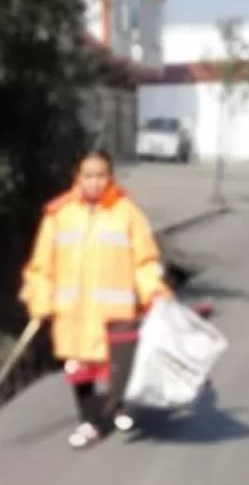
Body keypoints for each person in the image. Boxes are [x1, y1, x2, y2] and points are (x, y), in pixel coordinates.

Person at [20, 148, 171, 448]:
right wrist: (40, 299)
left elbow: (145, 259)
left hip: (116, 312)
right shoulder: (58, 215)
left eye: (101, 175)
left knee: (118, 366)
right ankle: (89, 423)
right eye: (88, 175)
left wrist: (153, 291)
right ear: (77, 177)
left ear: (110, 177)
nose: (94, 182)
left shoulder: (127, 213)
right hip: (72, 314)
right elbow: (41, 265)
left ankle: (118, 404)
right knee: (80, 370)